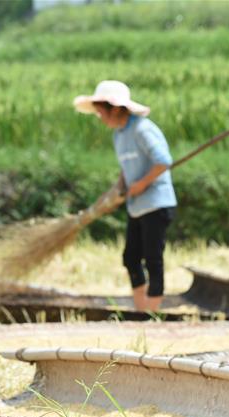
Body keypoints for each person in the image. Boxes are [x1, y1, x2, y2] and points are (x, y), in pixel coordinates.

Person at [73, 80, 176, 312]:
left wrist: (141, 184)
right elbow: (126, 169)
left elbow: (163, 162)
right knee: (130, 258)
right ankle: (141, 310)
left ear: (116, 108)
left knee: (153, 259)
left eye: (101, 112)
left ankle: (152, 312)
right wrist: (116, 190)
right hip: (136, 206)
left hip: (156, 204)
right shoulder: (119, 135)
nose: (100, 117)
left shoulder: (142, 129)